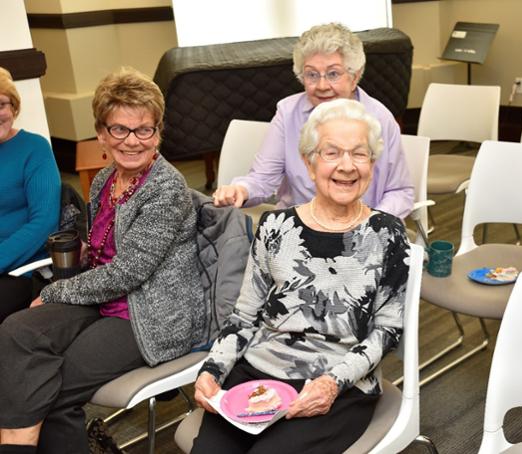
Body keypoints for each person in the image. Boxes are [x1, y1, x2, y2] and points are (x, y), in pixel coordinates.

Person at [0, 68, 205, 454]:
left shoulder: (166, 189)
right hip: (103, 299)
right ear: (102, 134)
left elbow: (129, 272)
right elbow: (100, 255)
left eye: (144, 129)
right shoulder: (103, 181)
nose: (132, 141)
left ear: (158, 132)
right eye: (119, 130)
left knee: (51, 388)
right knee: (15, 331)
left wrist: (58, 290)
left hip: (149, 314)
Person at [191, 98, 411, 454]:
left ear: (372, 164)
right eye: (331, 153)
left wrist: (331, 384)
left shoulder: (387, 234)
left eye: (359, 154)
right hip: (258, 372)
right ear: (310, 164)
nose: (346, 166)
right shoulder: (276, 225)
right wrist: (213, 369)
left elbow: (387, 331)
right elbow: (244, 316)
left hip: (340, 382)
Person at [212, 22, 414, 219]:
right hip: (299, 230)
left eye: (333, 74)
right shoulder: (288, 113)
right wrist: (241, 190)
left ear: (355, 76)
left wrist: (373, 224)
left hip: (363, 229)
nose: (322, 85)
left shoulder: (380, 118)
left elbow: (400, 192)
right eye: (312, 75)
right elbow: (263, 178)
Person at [0, 67, 61, 323]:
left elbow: (44, 223)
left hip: (20, 269)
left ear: (13, 107)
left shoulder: (34, 148)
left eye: (1, 104)